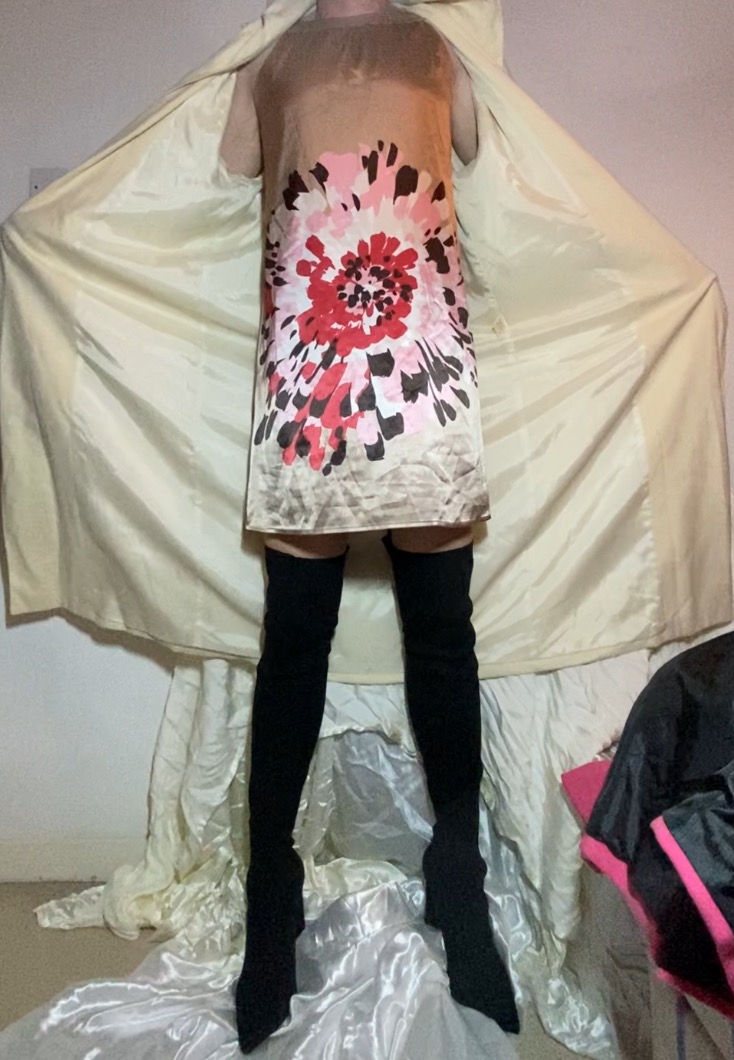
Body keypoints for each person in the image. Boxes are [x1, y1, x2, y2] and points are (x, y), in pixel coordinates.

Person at [220, 0, 519, 1051]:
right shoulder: (268, 62)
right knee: (293, 638)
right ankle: (271, 896)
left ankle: (457, 877)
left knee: (443, 636)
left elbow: (475, 150)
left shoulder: (437, 49)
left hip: (421, 357)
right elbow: (234, 168)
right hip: (310, 360)